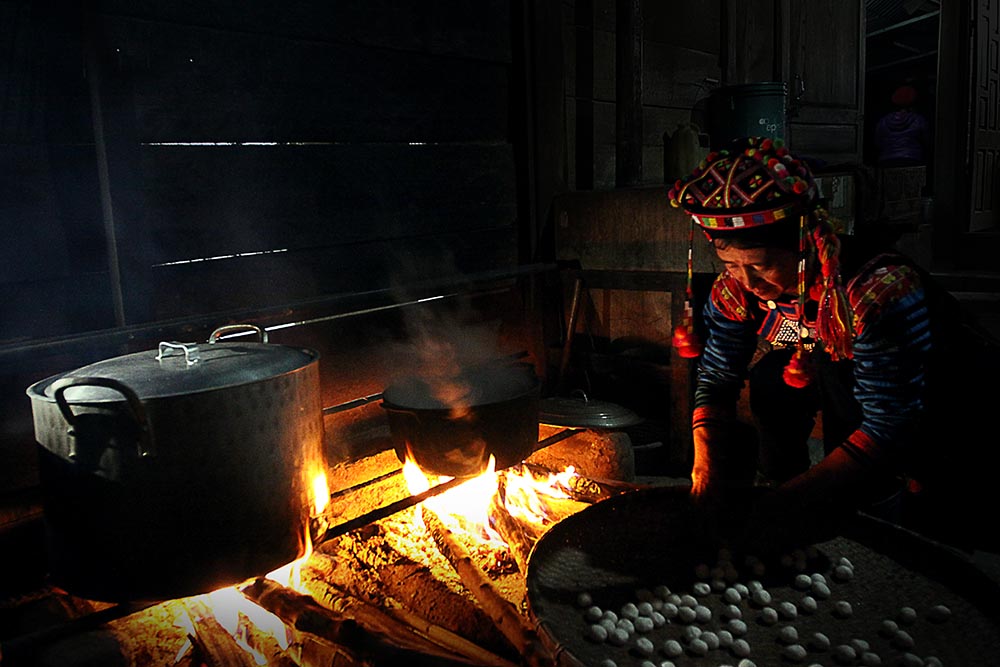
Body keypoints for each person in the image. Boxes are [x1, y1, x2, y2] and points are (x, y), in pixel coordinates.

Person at [666, 136, 998, 556]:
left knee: (928, 533)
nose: (747, 282)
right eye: (731, 264)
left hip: (950, 397)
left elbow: (887, 423)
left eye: (761, 266)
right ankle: (793, 486)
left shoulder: (875, 291)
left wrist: (783, 506)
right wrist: (706, 468)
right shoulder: (736, 290)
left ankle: (867, 519)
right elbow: (717, 378)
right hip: (845, 374)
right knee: (772, 380)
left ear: (802, 246)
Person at [874, 85, 931, 167]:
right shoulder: (919, 120)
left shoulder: (883, 121)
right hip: (913, 160)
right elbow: (927, 142)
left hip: (886, 161)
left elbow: (878, 143)